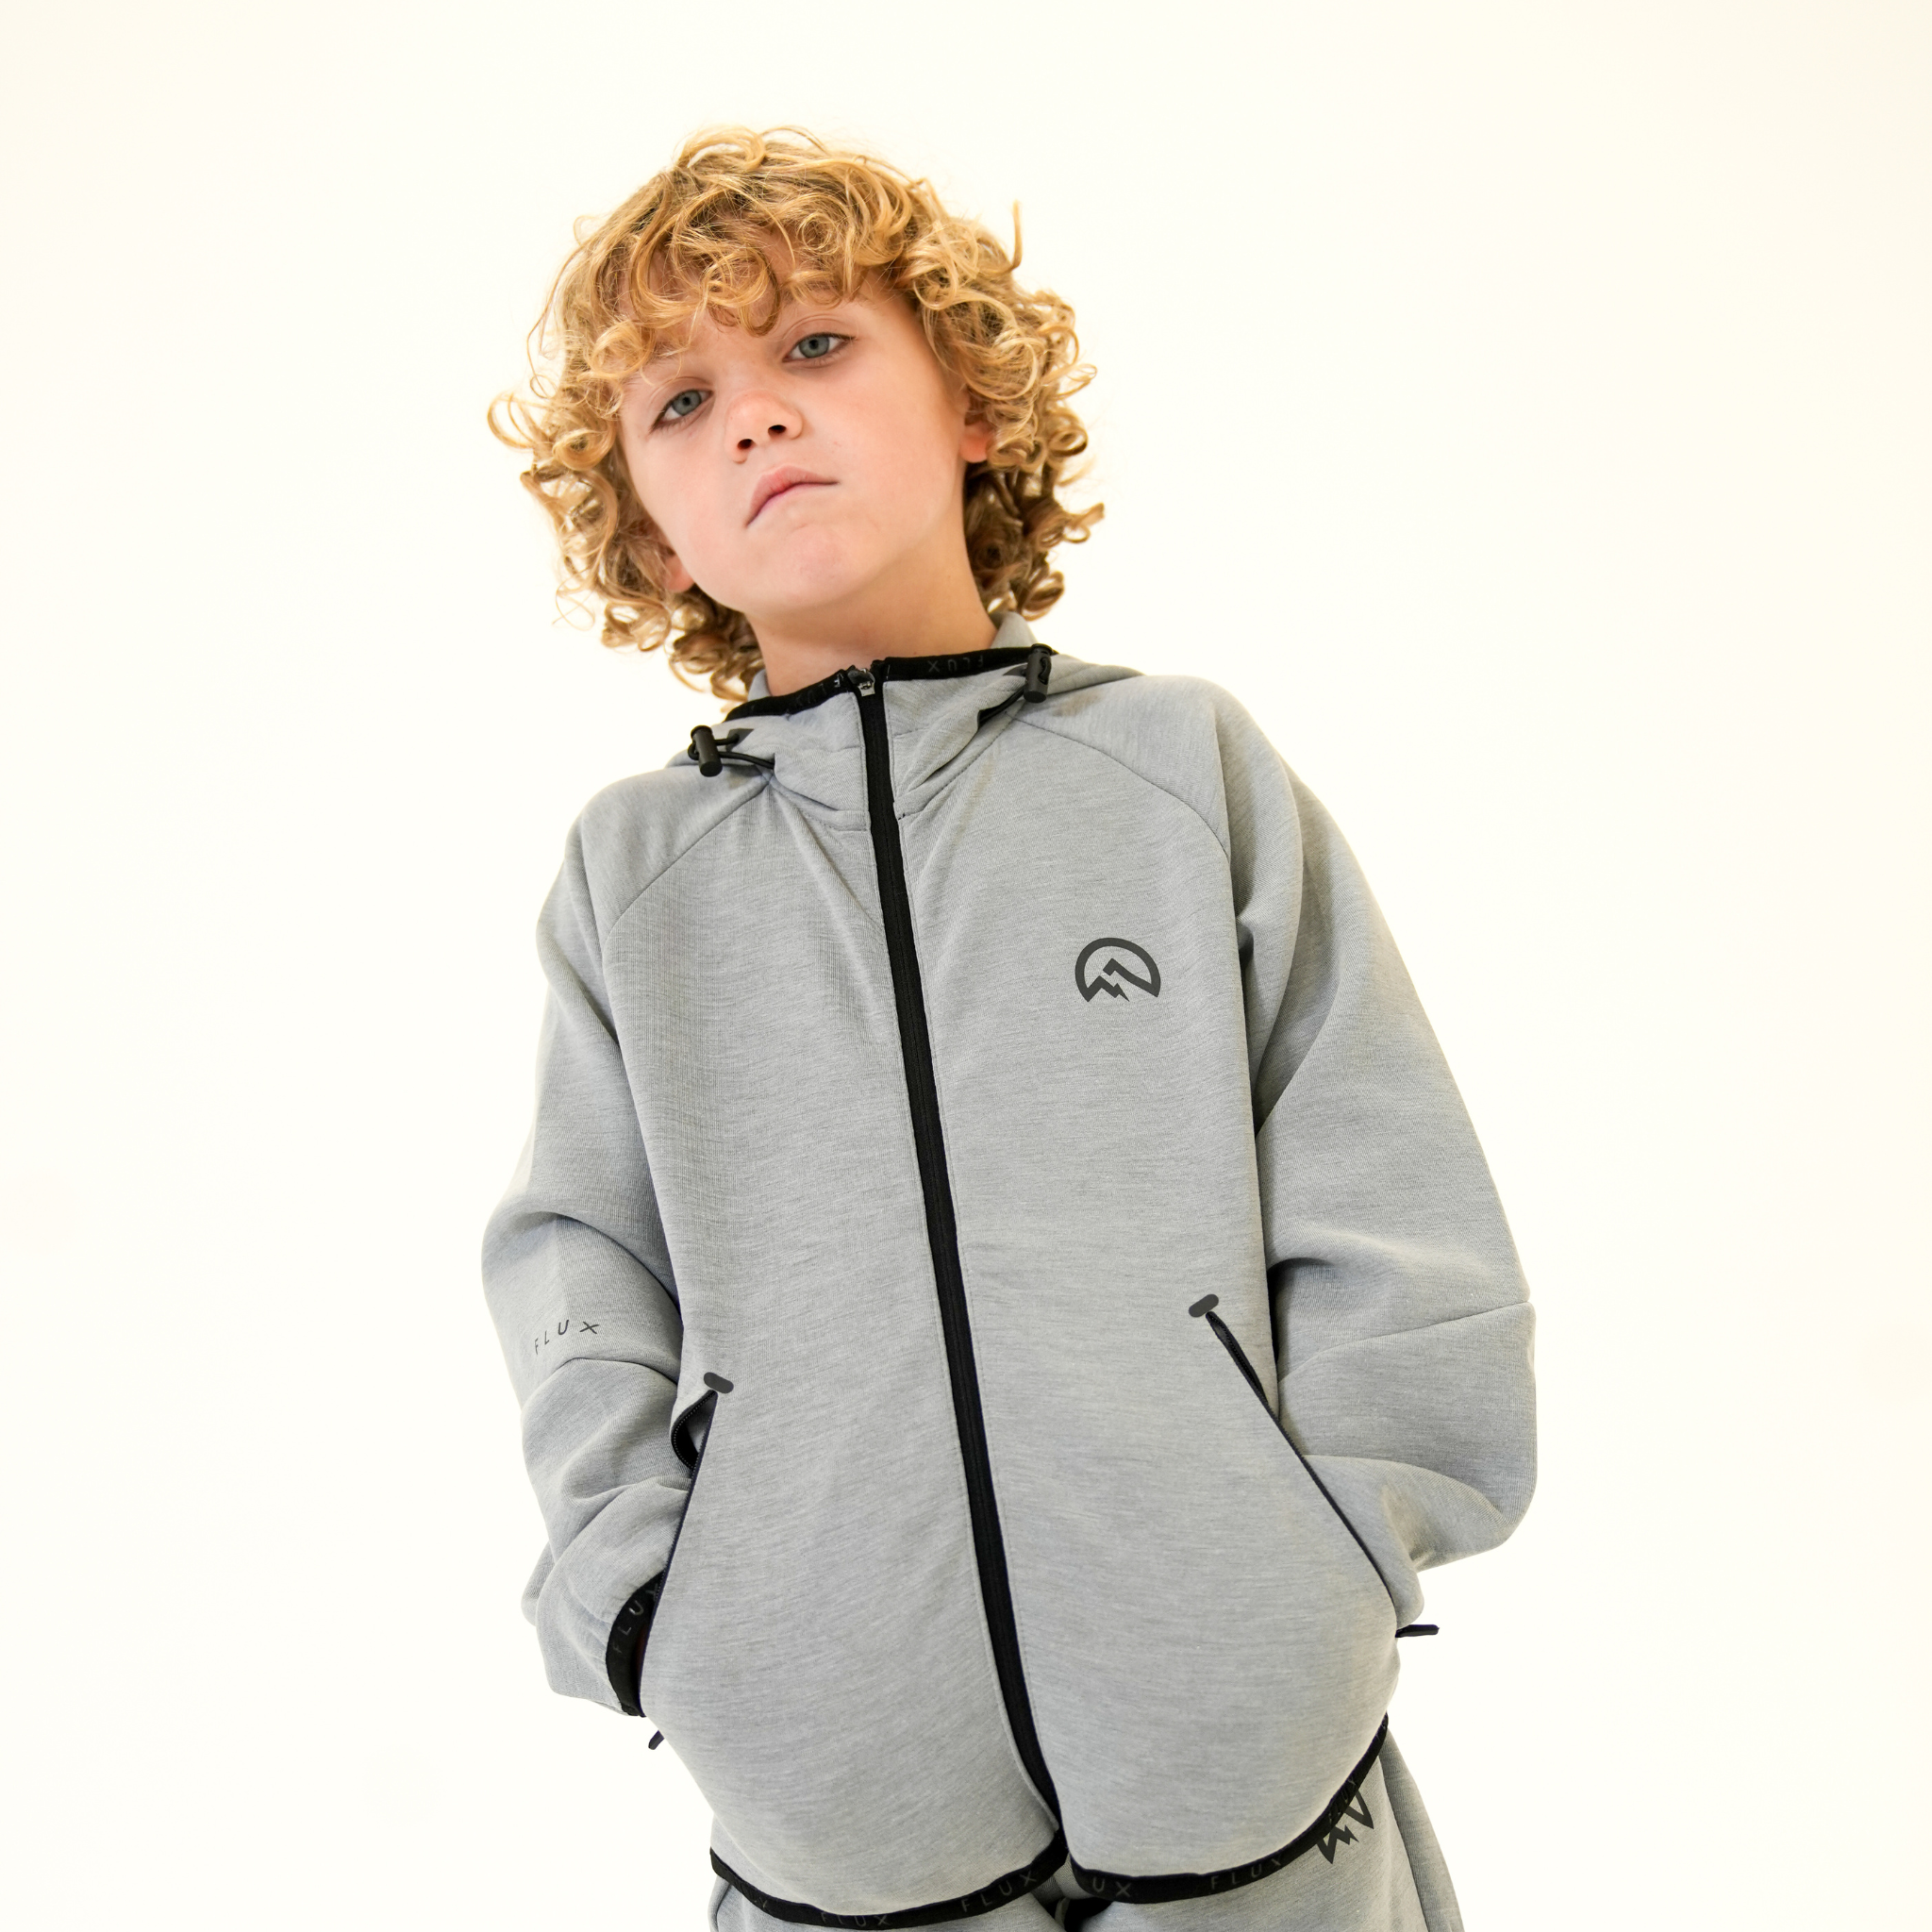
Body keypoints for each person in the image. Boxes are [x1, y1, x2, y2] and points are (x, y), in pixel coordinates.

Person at [482, 126, 1535, 1932]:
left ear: (971, 402)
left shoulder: (1179, 771)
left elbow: (1376, 1165)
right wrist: (650, 1602)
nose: (755, 416)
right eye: (681, 402)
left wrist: (1343, 1542)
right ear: (650, 534)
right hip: (833, 1780)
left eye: (816, 346)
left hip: (1241, 1740)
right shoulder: (637, 877)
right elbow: (579, 1254)